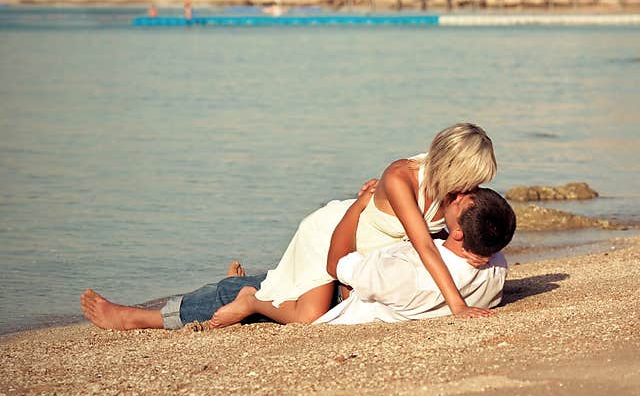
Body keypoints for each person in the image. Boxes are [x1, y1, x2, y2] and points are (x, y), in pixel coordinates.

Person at [82, 123, 499, 326]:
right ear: (449, 163)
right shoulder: (401, 177)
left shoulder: (455, 192)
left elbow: (464, 233)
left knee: (285, 287)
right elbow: (425, 245)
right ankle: (138, 318)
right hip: (335, 236)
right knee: (305, 315)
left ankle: (253, 284)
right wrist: (459, 307)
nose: (474, 188)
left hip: (361, 258)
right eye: (471, 177)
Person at [79, 186, 515, 330]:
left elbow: (337, 266)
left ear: (458, 234)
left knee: (245, 293)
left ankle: (141, 318)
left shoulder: (407, 274)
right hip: (359, 268)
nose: (454, 195)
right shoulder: (494, 268)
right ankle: (253, 281)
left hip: (340, 268)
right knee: (280, 281)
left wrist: (360, 207)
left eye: (460, 201)